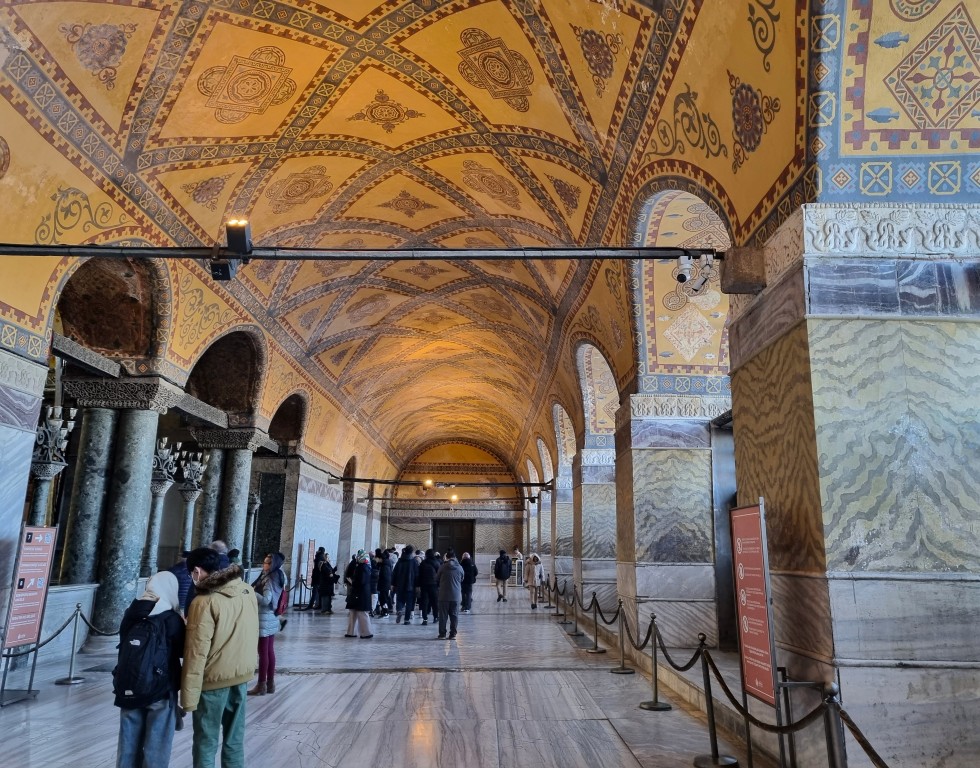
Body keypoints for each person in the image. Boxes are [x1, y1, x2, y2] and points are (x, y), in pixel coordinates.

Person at [180, 547, 259, 768]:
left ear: (197, 571)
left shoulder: (203, 602)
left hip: (213, 681)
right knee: (235, 739)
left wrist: (188, 698)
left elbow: (196, 652)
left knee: (206, 742)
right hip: (241, 675)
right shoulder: (246, 590)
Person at [114, 571, 185, 768]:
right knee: (156, 747)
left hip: (128, 685)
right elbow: (182, 650)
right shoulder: (170, 618)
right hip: (160, 689)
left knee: (127, 745)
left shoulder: (131, 613)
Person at [249, 552, 285, 695]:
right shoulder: (279, 575)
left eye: (268, 563)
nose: (264, 565)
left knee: (263, 652)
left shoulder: (269, 578)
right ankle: (270, 684)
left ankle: (261, 685)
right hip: (272, 617)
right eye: (264, 562)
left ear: (273, 564)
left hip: (264, 617)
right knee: (269, 651)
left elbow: (266, 600)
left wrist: (252, 592)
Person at [435, 549, 464, 639]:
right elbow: (462, 579)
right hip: (456, 595)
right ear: (455, 557)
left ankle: (442, 634)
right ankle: (453, 634)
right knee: (454, 615)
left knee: (443, 616)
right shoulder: (460, 567)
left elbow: (437, 578)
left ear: (446, 557)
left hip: (443, 595)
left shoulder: (442, 567)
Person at [344, 550, 374, 638]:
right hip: (359, 593)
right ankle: (351, 632)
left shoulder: (362, 567)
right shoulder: (365, 566)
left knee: (361, 613)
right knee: (354, 612)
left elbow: (361, 581)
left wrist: (352, 582)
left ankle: (366, 633)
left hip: (360, 594)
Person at [391, 545, 419, 625]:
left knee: (399, 600)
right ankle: (406, 620)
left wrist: (393, 584)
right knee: (409, 603)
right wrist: (417, 585)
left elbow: (394, 573)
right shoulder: (414, 562)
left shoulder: (400, 561)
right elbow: (417, 575)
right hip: (410, 585)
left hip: (400, 585)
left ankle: (399, 610)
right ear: (412, 552)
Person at [417, 548, 439, 625]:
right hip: (434, 585)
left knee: (424, 602)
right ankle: (435, 617)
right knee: (434, 602)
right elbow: (439, 574)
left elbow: (419, 574)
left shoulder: (423, 563)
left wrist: (418, 585)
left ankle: (425, 619)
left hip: (424, 585)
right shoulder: (436, 562)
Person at [168, 551, 193, 616]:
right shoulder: (194, 570)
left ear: (182, 558)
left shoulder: (173, 569)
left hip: (175, 601)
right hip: (188, 602)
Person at [373, 548, 392, 617]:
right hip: (384, 584)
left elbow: (385, 576)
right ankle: (384, 611)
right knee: (383, 598)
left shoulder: (384, 566)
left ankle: (385, 612)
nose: (376, 560)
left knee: (383, 599)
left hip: (384, 585)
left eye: (377, 558)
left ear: (380, 558)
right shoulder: (385, 564)